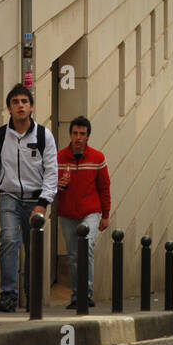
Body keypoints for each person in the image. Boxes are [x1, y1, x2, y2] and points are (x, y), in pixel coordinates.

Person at [0, 85, 58, 312]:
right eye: (15, 102)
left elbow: (51, 171)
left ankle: (32, 295)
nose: (20, 105)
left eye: (24, 101)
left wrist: (43, 203)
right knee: (8, 241)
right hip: (9, 197)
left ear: (32, 106)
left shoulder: (43, 135)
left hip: (35, 199)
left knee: (32, 247)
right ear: (9, 108)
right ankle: (8, 295)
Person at [56, 117, 111, 308]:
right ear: (70, 134)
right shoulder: (59, 158)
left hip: (91, 212)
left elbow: (104, 187)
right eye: (75, 133)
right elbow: (48, 185)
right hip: (67, 213)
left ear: (88, 136)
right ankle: (76, 295)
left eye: (82, 134)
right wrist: (57, 186)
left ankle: (85, 294)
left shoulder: (97, 158)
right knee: (72, 255)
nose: (78, 137)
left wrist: (105, 214)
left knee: (86, 248)